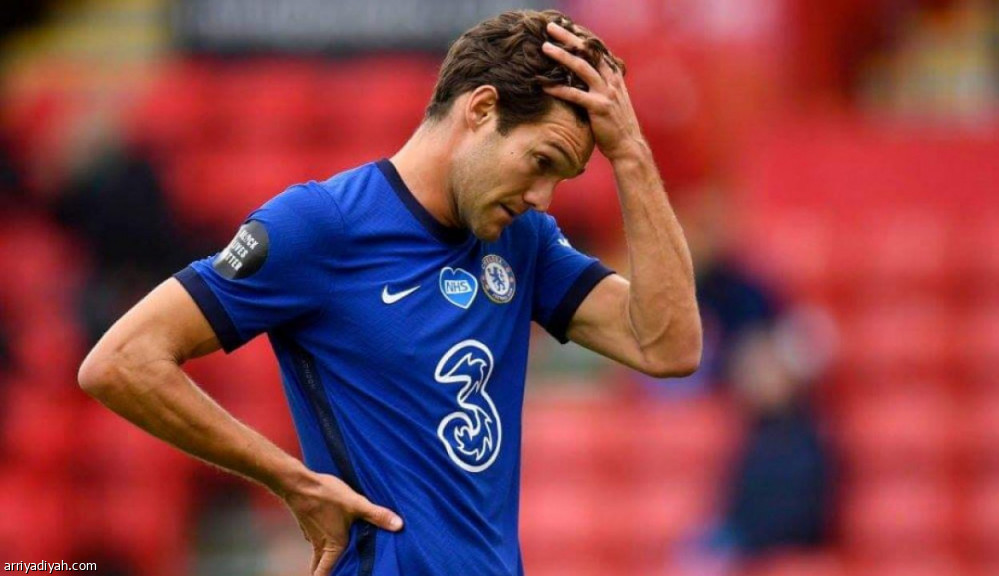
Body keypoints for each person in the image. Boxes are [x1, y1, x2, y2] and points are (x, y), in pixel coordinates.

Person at [78, 10, 702, 576]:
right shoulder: (322, 225)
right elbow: (122, 361)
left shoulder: (522, 240)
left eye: (562, 179)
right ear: (481, 109)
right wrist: (291, 480)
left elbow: (667, 346)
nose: (542, 198)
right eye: (541, 162)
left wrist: (631, 156)